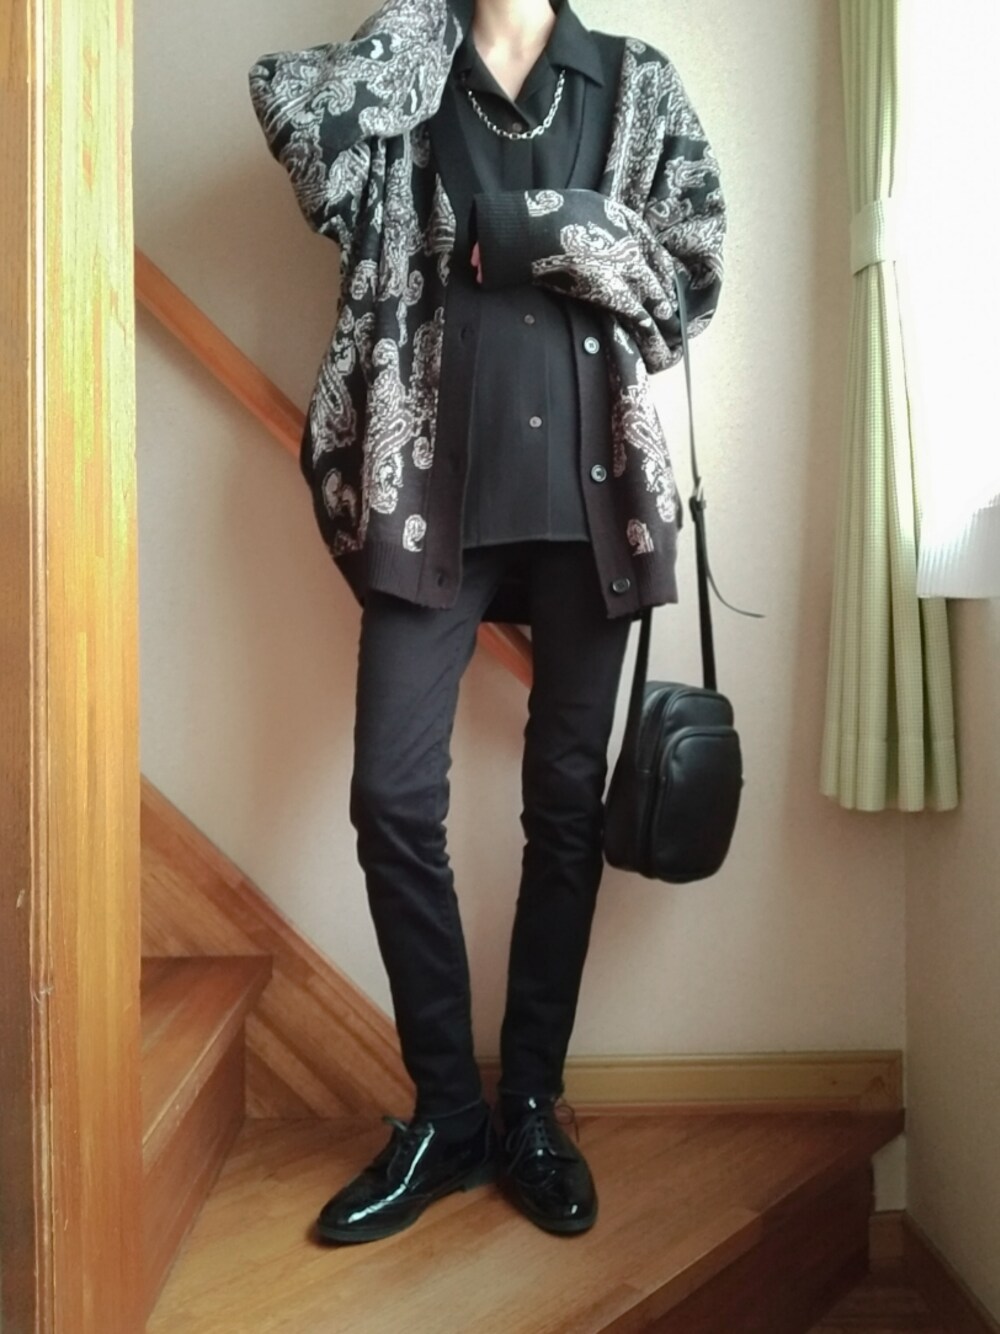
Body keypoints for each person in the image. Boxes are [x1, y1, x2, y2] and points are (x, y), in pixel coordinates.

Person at [248, 0, 725, 1245]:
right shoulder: (410, 62)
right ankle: (449, 1115)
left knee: (563, 808)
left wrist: (537, 227)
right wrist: (418, 31)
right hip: (427, 493)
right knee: (391, 798)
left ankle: (529, 1105)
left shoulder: (630, 81)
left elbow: (689, 279)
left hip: (589, 498)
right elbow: (299, 122)